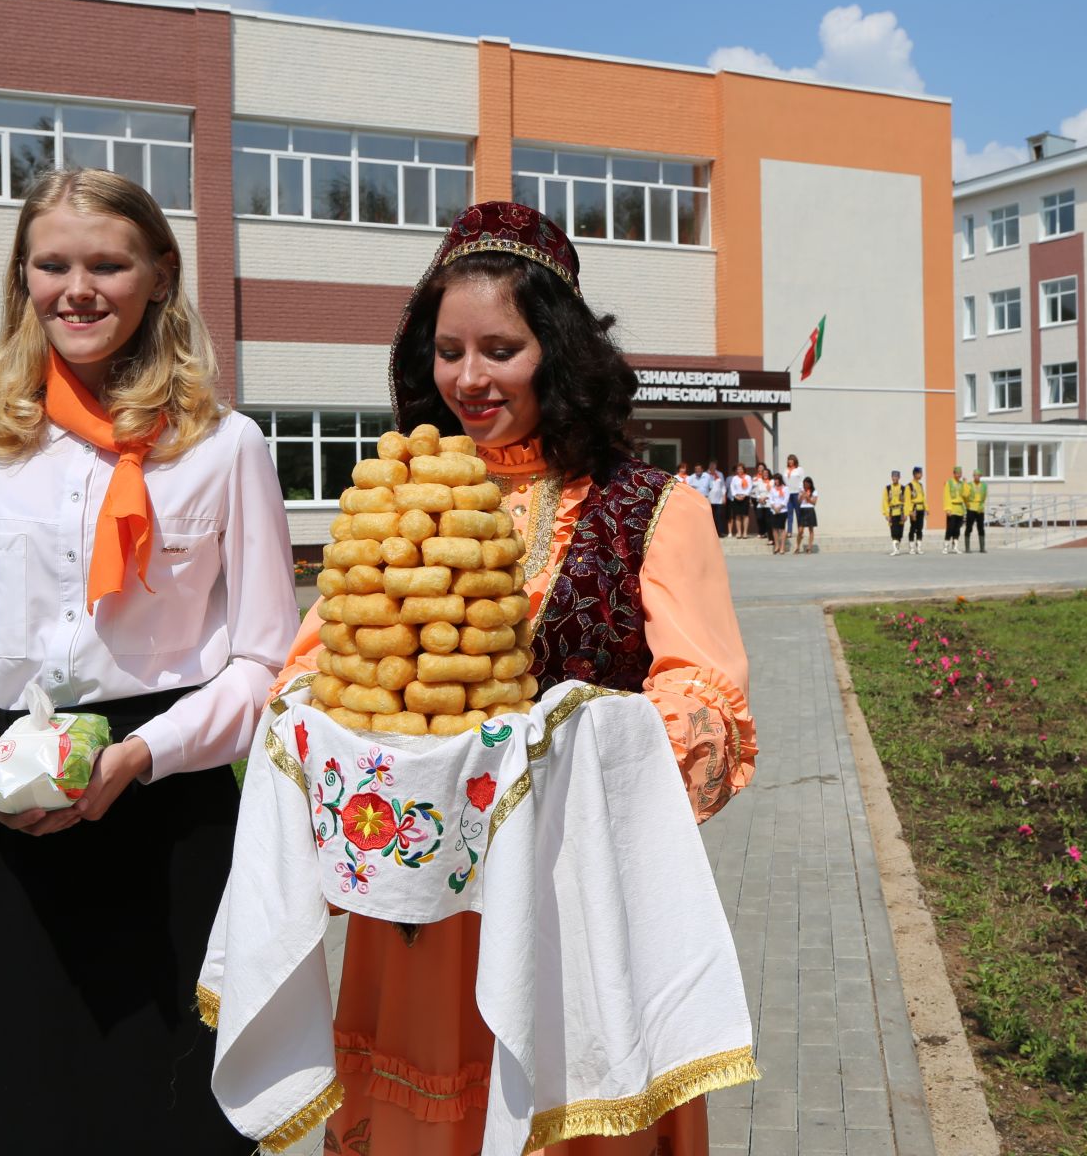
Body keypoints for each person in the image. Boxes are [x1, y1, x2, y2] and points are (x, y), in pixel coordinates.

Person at [266, 201, 758, 1154]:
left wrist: (569, 749)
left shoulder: (650, 506)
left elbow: (709, 699)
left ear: (560, 351)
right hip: (422, 920)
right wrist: (307, 718)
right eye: (449, 350)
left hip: (575, 909)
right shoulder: (401, 493)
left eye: (500, 348)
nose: (468, 379)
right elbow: (320, 665)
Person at [0, 169, 297, 1154]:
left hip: (166, 816)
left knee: (175, 1116)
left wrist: (139, 754)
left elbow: (262, 663)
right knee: (12, 1106)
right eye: (54, 264)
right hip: (3, 819)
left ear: (159, 272)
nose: (78, 288)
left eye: (108, 263)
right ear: (24, 276)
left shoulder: (225, 447)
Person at [941, 465, 967, 554]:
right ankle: (945, 546)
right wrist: (947, 509)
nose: (959, 475)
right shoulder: (949, 483)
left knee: (957, 529)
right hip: (952, 508)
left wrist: (965, 483)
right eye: (957, 473)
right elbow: (946, 496)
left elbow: (966, 494)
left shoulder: (961, 484)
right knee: (950, 528)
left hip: (960, 508)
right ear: (954, 473)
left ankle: (955, 546)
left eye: (960, 473)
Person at [882, 468, 908, 555]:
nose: (895, 478)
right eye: (893, 476)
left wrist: (906, 513)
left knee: (900, 531)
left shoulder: (903, 488)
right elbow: (884, 501)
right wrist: (886, 513)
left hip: (901, 512)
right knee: (894, 530)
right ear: (891, 477)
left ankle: (897, 547)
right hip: (892, 512)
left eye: (896, 476)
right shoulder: (888, 488)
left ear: (899, 477)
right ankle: (895, 549)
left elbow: (907, 501)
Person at [963, 469, 988, 553]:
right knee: (969, 527)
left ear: (980, 476)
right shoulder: (969, 485)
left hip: (980, 508)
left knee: (981, 528)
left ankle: (982, 547)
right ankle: (967, 548)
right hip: (971, 508)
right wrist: (967, 505)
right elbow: (965, 495)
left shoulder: (984, 485)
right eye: (974, 475)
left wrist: (982, 505)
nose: (976, 477)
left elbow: (984, 496)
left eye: (977, 475)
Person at [782, 453, 805, 544]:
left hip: (796, 493)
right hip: (788, 493)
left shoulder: (799, 469)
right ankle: (790, 531)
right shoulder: (785, 470)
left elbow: (802, 481)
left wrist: (801, 492)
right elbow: (784, 482)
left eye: (791, 460)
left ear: (795, 461)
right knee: (789, 513)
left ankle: (800, 531)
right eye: (789, 460)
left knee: (798, 513)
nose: (790, 462)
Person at [906, 466, 928, 555]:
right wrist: (910, 512)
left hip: (921, 508)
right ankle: (911, 547)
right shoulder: (909, 486)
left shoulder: (920, 485)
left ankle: (918, 547)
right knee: (913, 528)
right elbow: (907, 500)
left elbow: (923, 498)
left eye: (921, 473)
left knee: (920, 528)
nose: (921, 475)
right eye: (920, 473)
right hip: (914, 509)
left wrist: (926, 508)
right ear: (915, 474)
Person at [766, 474, 790, 553]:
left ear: (780, 480)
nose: (775, 481)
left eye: (777, 479)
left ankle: (782, 547)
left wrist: (779, 508)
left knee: (781, 528)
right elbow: (771, 499)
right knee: (774, 528)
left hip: (782, 511)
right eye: (774, 479)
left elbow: (786, 499)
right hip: (774, 510)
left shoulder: (785, 488)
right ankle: (777, 546)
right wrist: (774, 507)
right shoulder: (773, 489)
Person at [727, 462, 752, 538]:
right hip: (736, 497)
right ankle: (739, 532)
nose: (739, 470)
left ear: (744, 469)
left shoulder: (747, 477)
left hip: (745, 497)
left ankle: (745, 533)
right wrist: (735, 495)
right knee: (737, 515)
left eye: (741, 469)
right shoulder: (735, 478)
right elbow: (732, 487)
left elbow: (750, 486)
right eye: (738, 469)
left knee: (745, 515)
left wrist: (744, 495)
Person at [705, 459, 728, 536]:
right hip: (709, 499)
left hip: (719, 499)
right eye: (711, 465)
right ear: (709, 465)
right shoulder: (705, 475)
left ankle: (719, 532)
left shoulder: (720, 474)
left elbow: (723, 486)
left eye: (714, 465)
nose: (712, 466)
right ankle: (710, 534)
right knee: (710, 517)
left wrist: (724, 496)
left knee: (719, 516)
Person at [750, 463, 771, 542]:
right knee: (759, 517)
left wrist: (764, 498)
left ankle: (765, 532)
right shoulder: (755, 477)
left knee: (765, 517)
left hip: (765, 500)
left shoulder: (767, 479)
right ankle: (761, 531)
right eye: (759, 468)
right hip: (755, 498)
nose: (760, 469)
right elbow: (751, 488)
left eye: (762, 468)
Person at [797, 476, 819, 552]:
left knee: (811, 529)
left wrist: (808, 498)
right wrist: (802, 496)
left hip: (810, 509)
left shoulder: (814, 491)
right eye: (804, 484)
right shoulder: (801, 491)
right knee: (800, 530)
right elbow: (799, 502)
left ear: (810, 484)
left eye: (807, 484)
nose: (805, 485)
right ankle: (797, 546)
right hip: (802, 509)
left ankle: (809, 547)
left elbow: (814, 502)